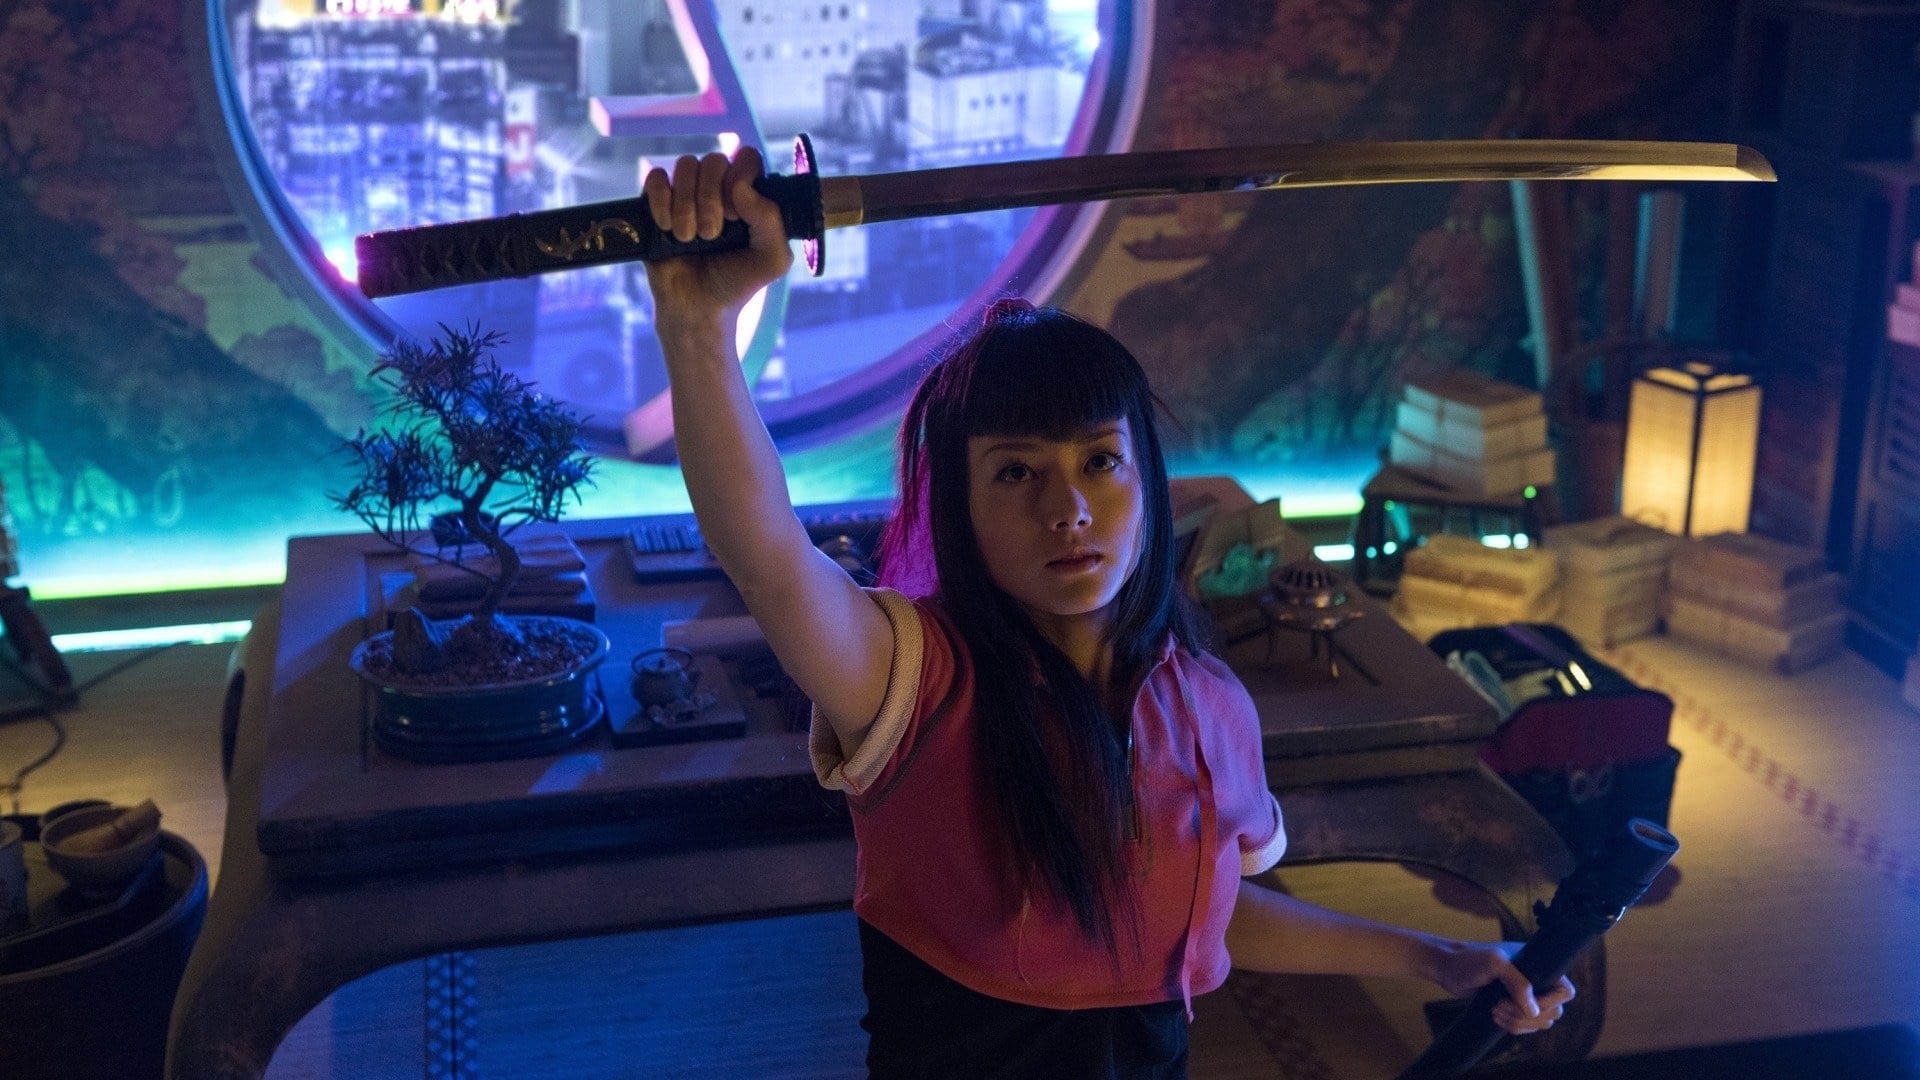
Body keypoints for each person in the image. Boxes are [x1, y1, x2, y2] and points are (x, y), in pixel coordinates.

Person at [639, 146, 1576, 1080]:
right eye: (1016, 471)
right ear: (960, 505)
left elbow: (1205, 914)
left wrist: (1438, 956)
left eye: (1099, 461)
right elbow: (768, 559)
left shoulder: (1210, 705)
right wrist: (697, 327)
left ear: (1146, 480)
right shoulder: (911, 679)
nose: (1069, 509)